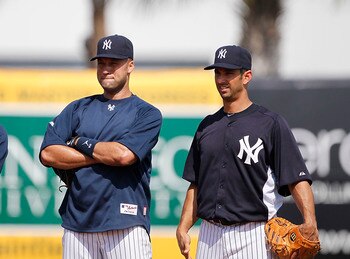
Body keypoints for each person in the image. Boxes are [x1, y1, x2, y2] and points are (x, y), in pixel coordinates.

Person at [176, 45, 319, 259]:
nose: (221, 79)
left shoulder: (270, 123)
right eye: (218, 72)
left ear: (247, 76)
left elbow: (296, 177)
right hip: (209, 235)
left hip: (252, 234)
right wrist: (183, 226)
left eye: (229, 73)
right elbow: (196, 183)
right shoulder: (207, 126)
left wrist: (310, 221)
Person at [40, 34, 162, 259]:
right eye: (101, 63)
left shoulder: (146, 113)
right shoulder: (79, 108)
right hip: (78, 224)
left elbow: (123, 156)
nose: (106, 69)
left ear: (130, 66)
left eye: (113, 63)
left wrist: (78, 142)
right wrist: (100, 155)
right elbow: (48, 153)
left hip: (126, 223)